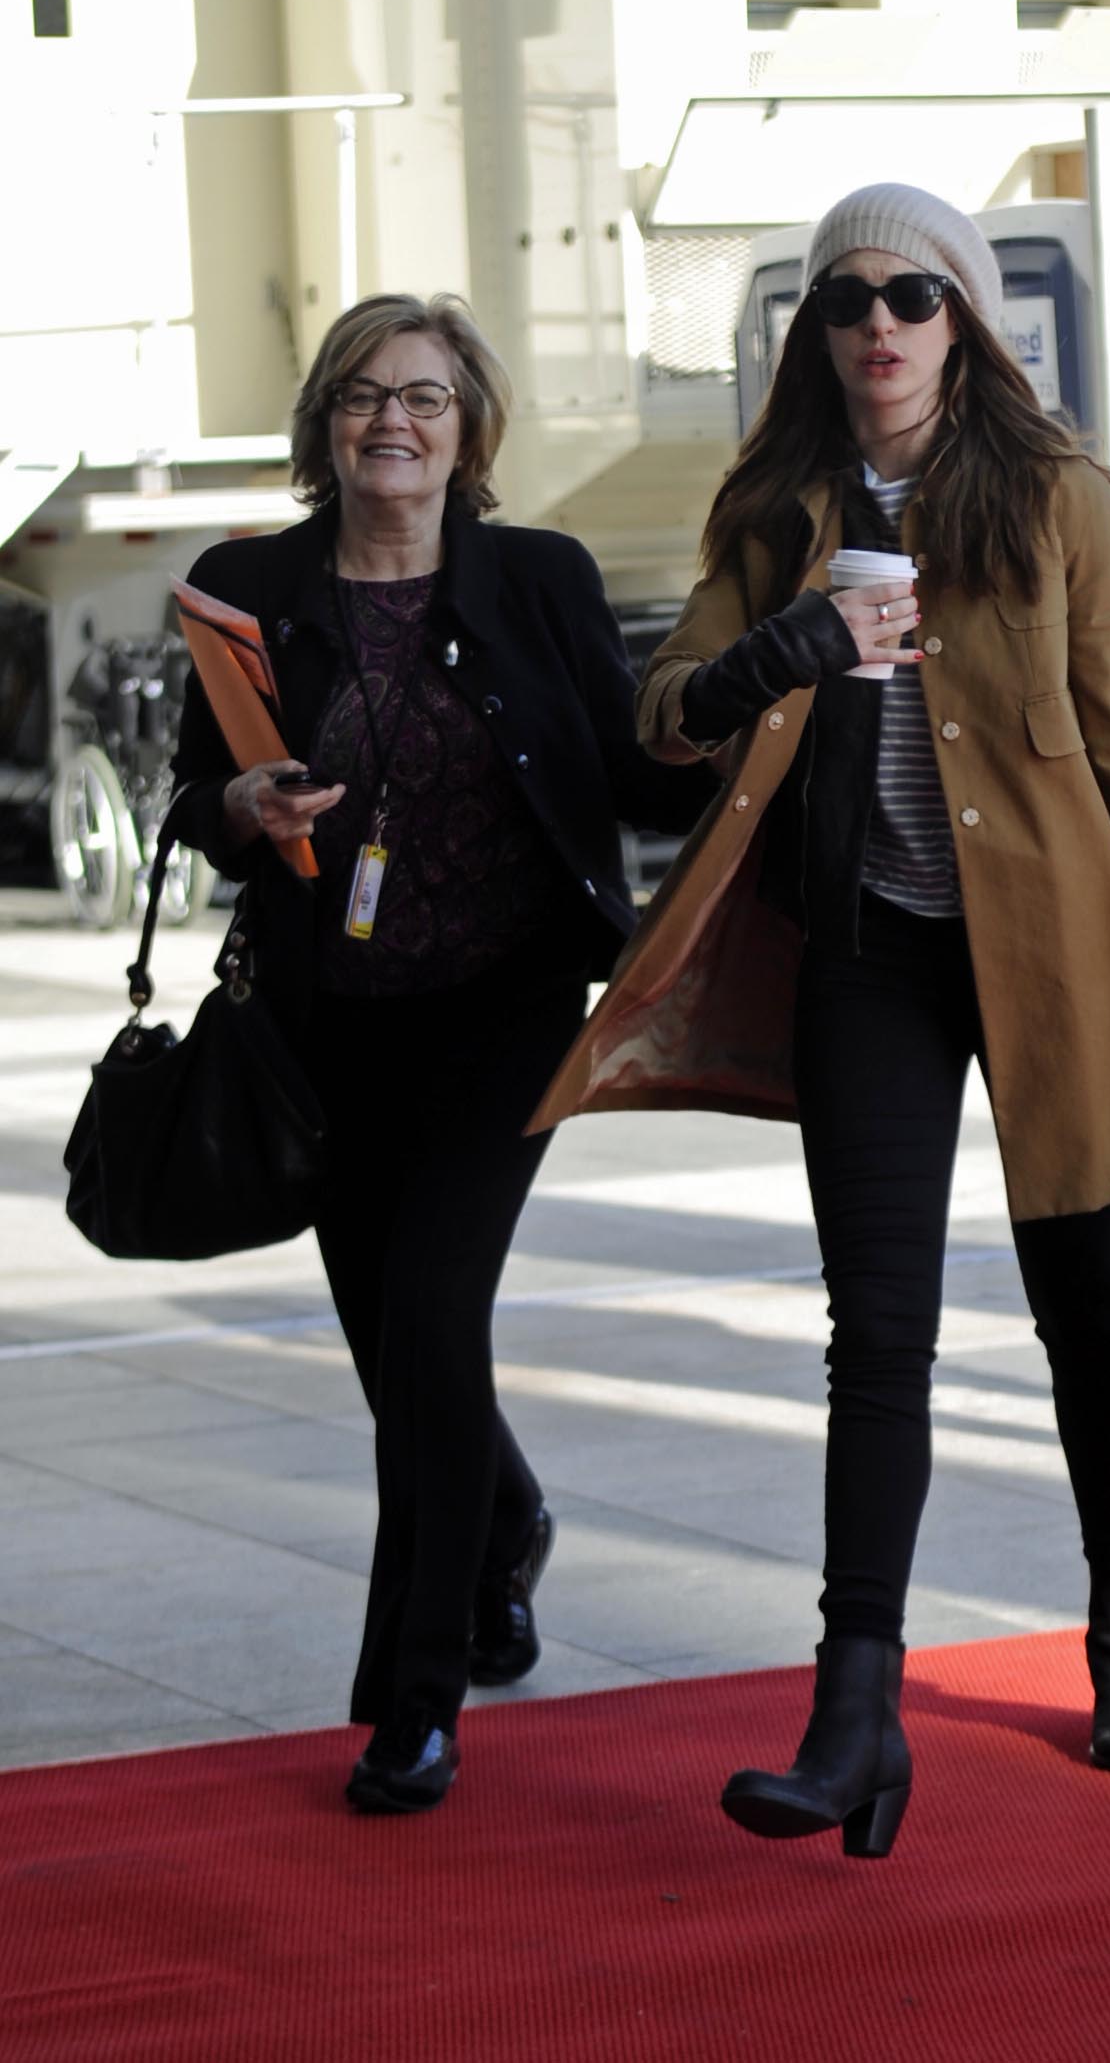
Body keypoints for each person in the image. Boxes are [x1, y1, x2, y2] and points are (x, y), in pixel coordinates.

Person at [529, 184, 1110, 1858]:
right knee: (879, 1332)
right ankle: (851, 1704)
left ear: (960, 323)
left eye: (910, 296)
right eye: (848, 297)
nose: (877, 323)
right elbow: (664, 711)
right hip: (865, 950)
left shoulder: (1049, 491)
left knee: (1083, 1314)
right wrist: (780, 645)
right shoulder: (779, 501)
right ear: (817, 330)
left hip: (1057, 951)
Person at [170, 292, 711, 1814]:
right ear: (322, 424)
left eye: (422, 396)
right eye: (360, 395)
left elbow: (629, 772)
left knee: (429, 1315)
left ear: (469, 428)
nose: (389, 421)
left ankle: (415, 1702)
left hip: (505, 1016)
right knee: (399, 1350)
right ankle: (509, 1519)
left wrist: (736, 705)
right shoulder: (242, 585)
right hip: (322, 1026)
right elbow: (185, 797)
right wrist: (239, 808)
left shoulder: (536, 577)